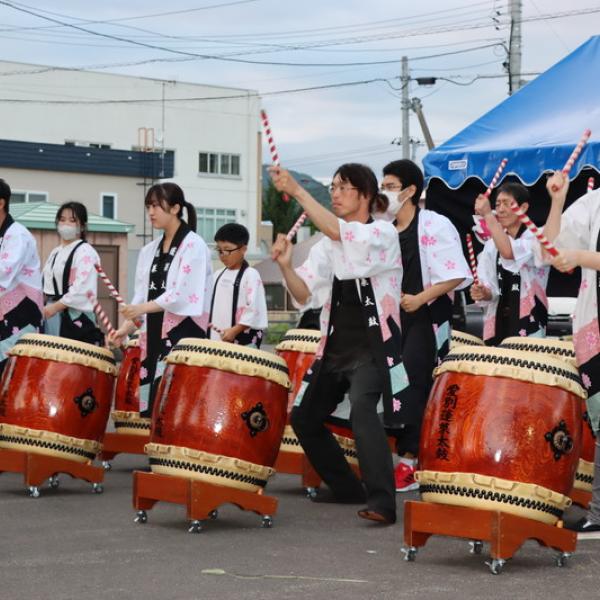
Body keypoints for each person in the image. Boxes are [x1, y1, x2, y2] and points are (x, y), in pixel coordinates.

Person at [271, 163, 406, 525]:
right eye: (331, 187)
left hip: (374, 345)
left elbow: (345, 236)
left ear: (364, 194)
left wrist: (299, 191)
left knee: (363, 410)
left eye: (342, 188)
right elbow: (304, 294)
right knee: (303, 417)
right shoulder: (328, 243)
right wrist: (285, 266)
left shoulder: (382, 233)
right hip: (334, 347)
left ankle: (383, 502)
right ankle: (348, 488)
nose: (334, 193)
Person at [377, 160, 472, 492]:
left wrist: (419, 299)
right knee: (392, 385)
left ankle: (409, 462)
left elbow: (456, 274)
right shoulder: (384, 228)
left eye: (389, 187)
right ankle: (399, 457)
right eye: (383, 186)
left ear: (410, 190)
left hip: (427, 316)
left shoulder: (434, 224)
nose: (383, 193)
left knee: (416, 382)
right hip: (395, 317)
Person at [109, 183, 212, 418]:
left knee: (176, 404)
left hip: (183, 333)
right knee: (155, 405)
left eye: (156, 206)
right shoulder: (149, 250)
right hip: (154, 333)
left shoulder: (194, 245)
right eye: (148, 207)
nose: (151, 212)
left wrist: (139, 309)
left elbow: (181, 295)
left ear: (175, 208)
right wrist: (125, 329)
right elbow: (141, 295)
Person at [542, 171, 600, 537]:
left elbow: (573, 254)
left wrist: (578, 256)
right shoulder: (595, 202)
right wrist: (558, 201)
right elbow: (550, 248)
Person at [470, 182, 549, 345]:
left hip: (529, 318)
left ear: (524, 207)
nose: (500, 209)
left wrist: (487, 215)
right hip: (499, 321)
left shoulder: (536, 237)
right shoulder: (492, 245)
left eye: (507, 203)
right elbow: (491, 290)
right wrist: (484, 292)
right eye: (497, 204)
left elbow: (509, 252)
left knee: (525, 367)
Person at [42, 202, 103, 346]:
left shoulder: (86, 252)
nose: (66, 224)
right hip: (52, 314)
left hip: (74, 317)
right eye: (62, 220)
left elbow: (82, 288)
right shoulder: (56, 252)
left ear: (82, 226)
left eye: (72, 220)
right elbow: (46, 282)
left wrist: (54, 307)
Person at [0, 178, 43, 375]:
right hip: (6, 312)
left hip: (21, 311)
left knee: (13, 374)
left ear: (1, 203)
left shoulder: (17, 235)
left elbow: (4, 271)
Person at [209, 223, 267, 348]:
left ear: (243, 249)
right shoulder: (217, 275)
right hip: (216, 339)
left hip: (241, 339)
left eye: (228, 250)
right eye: (219, 250)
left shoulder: (250, 275)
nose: (222, 254)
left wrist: (234, 330)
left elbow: (254, 308)